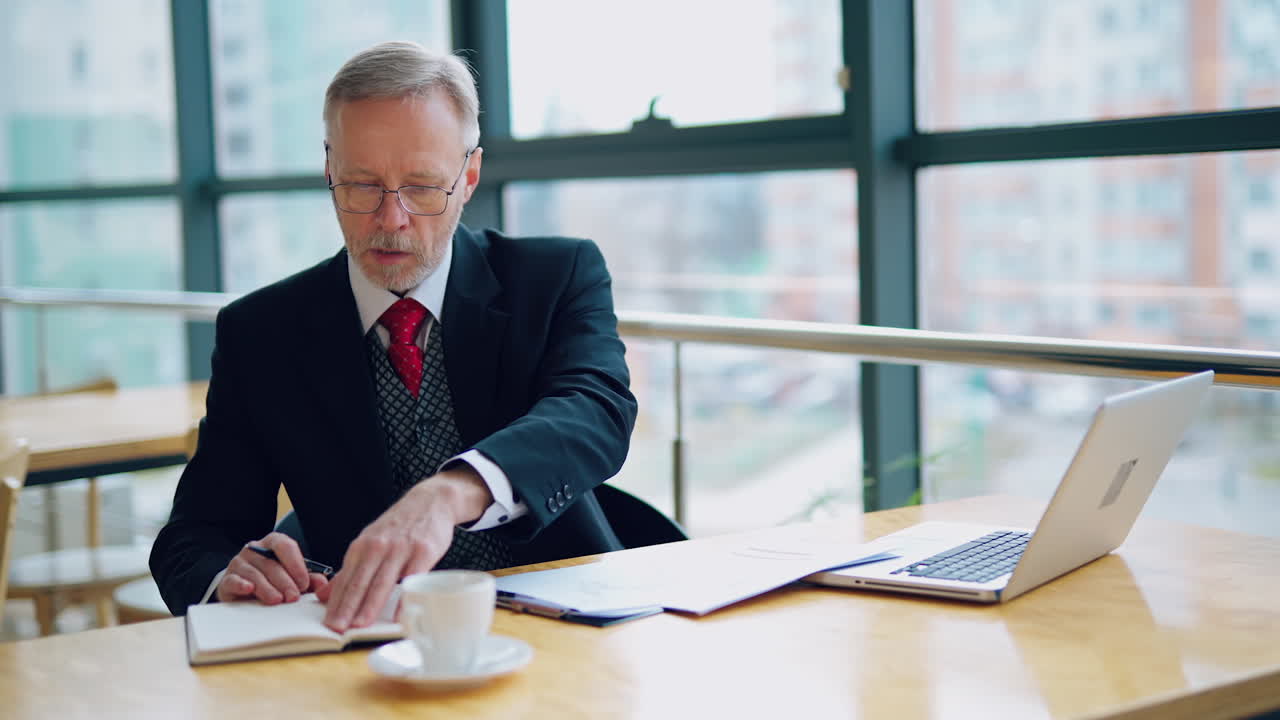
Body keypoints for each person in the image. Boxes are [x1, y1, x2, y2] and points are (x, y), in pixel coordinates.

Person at [149, 41, 636, 632]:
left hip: (563, 628)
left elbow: (596, 410)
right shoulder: (261, 332)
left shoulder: (556, 277)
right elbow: (195, 533)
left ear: (469, 177)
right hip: (365, 649)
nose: (392, 219)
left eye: (423, 188)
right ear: (330, 170)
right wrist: (228, 578)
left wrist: (451, 493)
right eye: (361, 185)